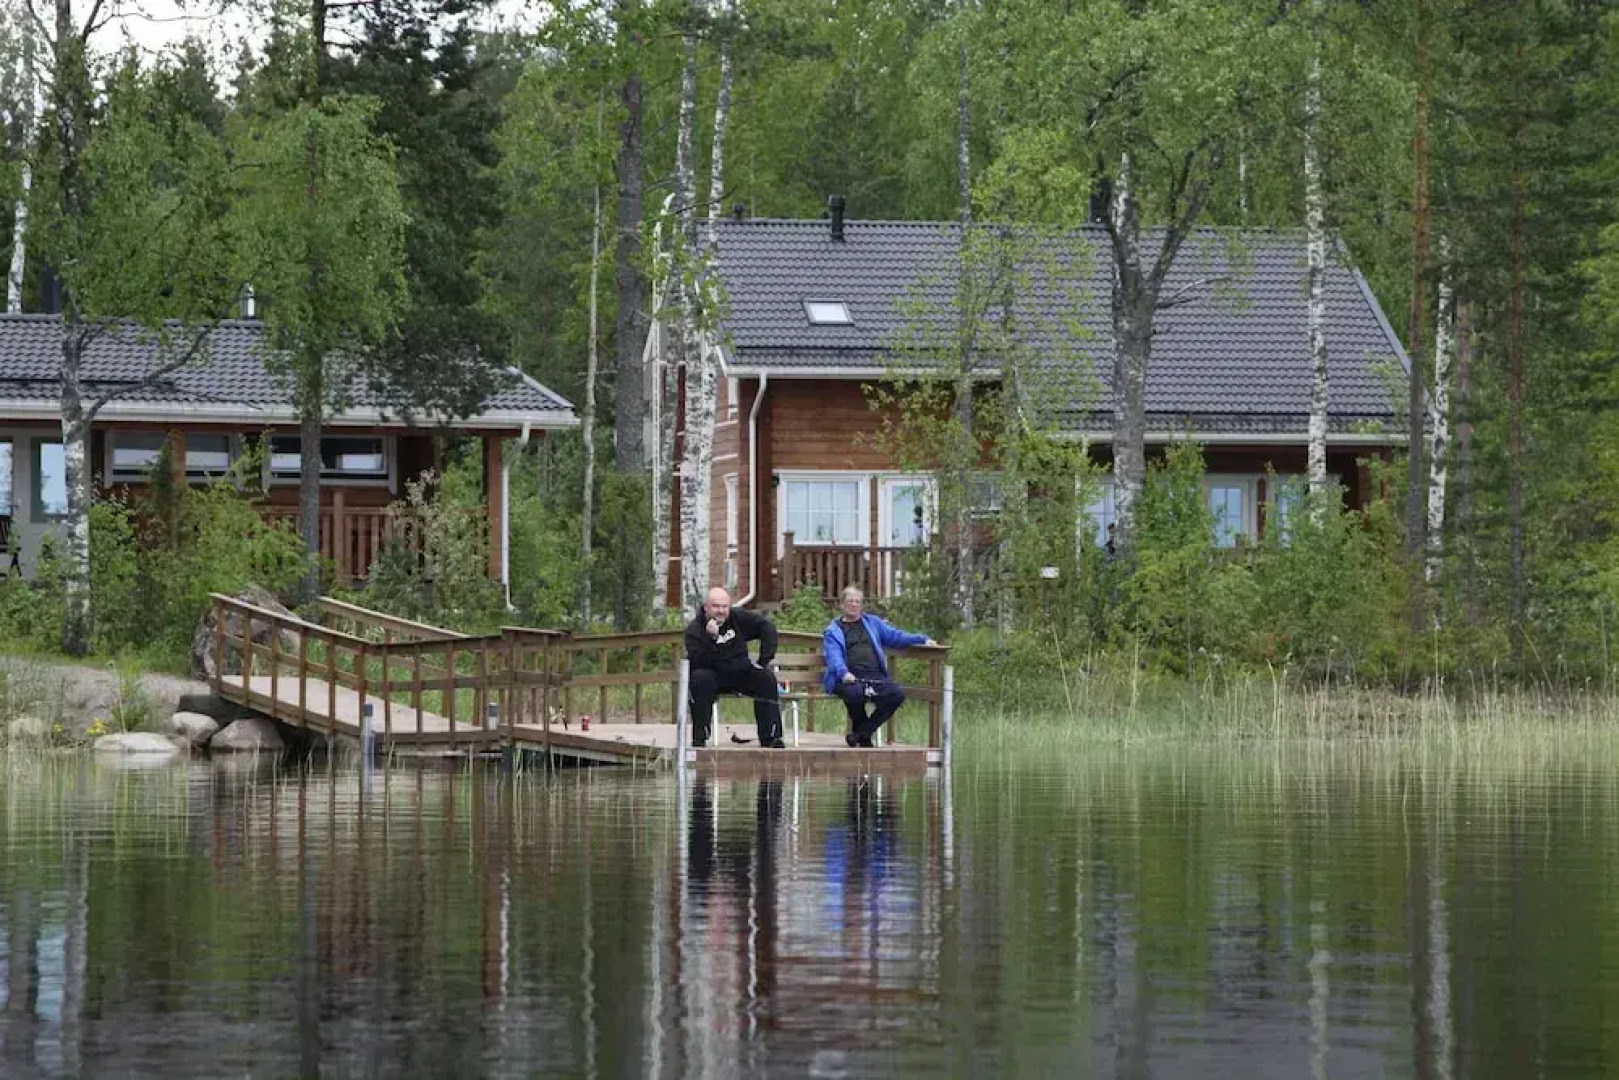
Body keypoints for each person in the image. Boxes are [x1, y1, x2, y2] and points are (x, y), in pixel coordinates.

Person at [821, 586, 936, 747]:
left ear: (861, 605)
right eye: (850, 601)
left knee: (896, 695)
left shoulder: (872, 623)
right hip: (847, 677)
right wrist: (844, 673)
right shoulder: (833, 631)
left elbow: (895, 637)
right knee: (854, 694)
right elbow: (834, 657)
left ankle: (862, 733)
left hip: (875, 676)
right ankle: (864, 739)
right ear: (842, 604)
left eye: (857, 602)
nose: (854, 605)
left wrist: (921, 639)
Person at [684, 586, 785, 748]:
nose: (721, 611)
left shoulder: (737, 618)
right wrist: (712, 638)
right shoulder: (695, 630)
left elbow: (766, 627)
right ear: (706, 608)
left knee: (765, 678)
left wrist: (763, 660)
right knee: (700, 679)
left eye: (725, 607)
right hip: (712, 675)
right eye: (716, 607)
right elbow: (698, 660)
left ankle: (771, 737)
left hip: (740, 672)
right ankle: (700, 737)